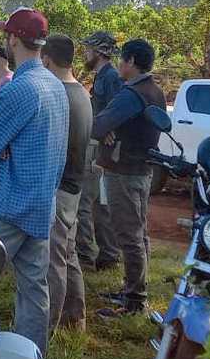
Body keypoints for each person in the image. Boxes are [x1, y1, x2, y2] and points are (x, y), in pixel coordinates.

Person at [0, 8, 68, 357]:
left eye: (7, 34)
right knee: (34, 288)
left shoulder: (19, 88)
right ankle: (29, 358)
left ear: (14, 40)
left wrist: (3, 147)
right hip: (42, 205)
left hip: (8, 206)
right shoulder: (55, 84)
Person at [91, 39, 166, 318]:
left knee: (128, 234)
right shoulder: (154, 90)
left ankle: (134, 300)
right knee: (138, 231)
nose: (119, 64)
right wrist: (107, 128)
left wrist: (103, 129)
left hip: (124, 171)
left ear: (132, 61)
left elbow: (97, 124)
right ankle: (134, 288)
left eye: (122, 59)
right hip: (141, 171)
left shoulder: (131, 94)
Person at [40, 34, 91, 332]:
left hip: (60, 188)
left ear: (46, 59)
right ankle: (76, 319)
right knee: (68, 255)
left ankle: (47, 327)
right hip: (74, 185)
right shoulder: (81, 92)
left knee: (53, 261)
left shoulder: (60, 95)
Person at [76, 31, 123, 272]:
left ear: (99, 52)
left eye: (88, 49)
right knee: (98, 204)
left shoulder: (110, 77)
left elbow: (115, 110)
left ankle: (85, 255)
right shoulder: (103, 76)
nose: (85, 53)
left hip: (99, 149)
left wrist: (106, 130)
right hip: (99, 147)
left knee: (85, 202)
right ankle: (109, 253)